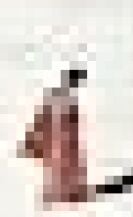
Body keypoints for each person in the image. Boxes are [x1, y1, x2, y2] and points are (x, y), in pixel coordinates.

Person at [20, 68, 90, 206]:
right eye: (75, 81)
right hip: (59, 136)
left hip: (63, 136)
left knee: (66, 164)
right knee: (62, 164)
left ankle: (68, 191)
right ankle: (64, 192)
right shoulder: (59, 98)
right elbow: (45, 118)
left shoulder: (63, 97)